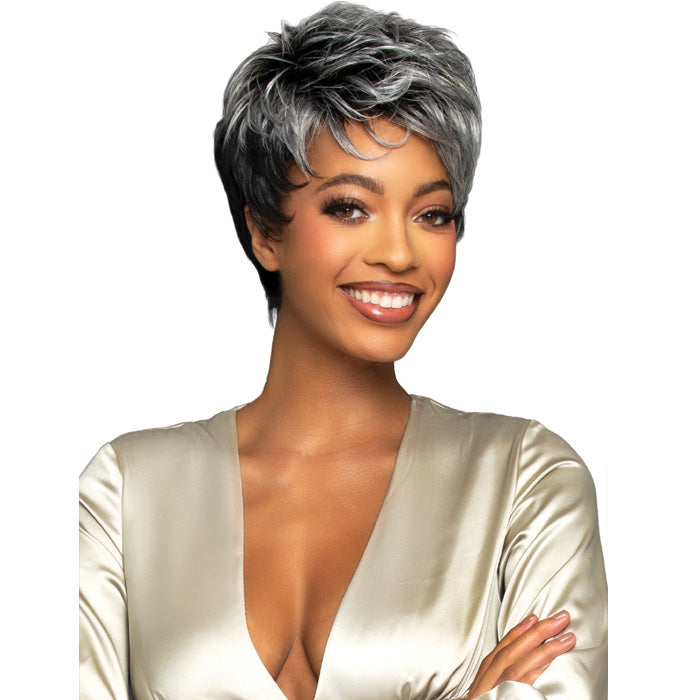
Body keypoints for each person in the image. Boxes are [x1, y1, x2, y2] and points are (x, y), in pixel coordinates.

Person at [79, 3, 607, 699]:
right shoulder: (124, 492)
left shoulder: (526, 482)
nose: (399, 253)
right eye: (350, 207)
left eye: (432, 214)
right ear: (264, 231)